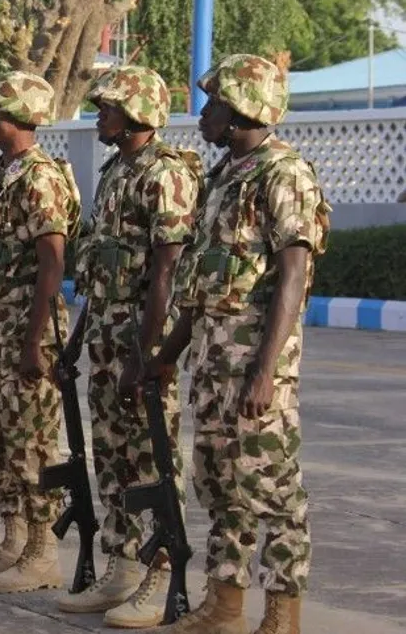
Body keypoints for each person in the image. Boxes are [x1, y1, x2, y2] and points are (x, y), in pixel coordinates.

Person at [147, 54, 327, 634]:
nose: (204, 113)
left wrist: (265, 372)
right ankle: (222, 607)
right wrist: (168, 355)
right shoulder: (225, 175)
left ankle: (281, 616)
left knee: (273, 491)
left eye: (215, 103)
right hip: (212, 364)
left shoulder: (284, 174)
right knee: (222, 486)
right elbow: (201, 288)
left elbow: (293, 276)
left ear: (242, 109)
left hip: (254, 367)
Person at [57, 66, 197, 626]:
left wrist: (148, 355)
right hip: (105, 338)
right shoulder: (118, 170)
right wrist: (77, 339)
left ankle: (161, 572)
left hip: (141, 342)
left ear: (139, 113)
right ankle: (121, 566)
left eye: (109, 108)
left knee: (150, 459)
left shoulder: (166, 175)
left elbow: (165, 272)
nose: (100, 117)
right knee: (111, 455)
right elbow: (100, 271)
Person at [0, 71, 79, 593]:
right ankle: (13, 536)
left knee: (33, 442)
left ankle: (43, 549)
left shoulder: (39, 177)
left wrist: (34, 341)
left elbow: (52, 261)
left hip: (27, 333)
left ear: (14, 116)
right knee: (3, 438)